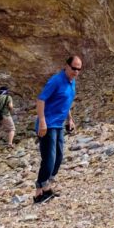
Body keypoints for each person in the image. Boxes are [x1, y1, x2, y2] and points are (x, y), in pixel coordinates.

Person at [33, 55, 81, 204]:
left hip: (59, 124)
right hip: (48, 125)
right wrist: (42, 122)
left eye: (79, 69)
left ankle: (46, 187)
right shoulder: (56, 81)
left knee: (59, 157)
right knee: (49, 158)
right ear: (66, 66)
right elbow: (41, 100)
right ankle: (39, 192)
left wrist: (70, 119)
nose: (76, 71)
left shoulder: (72, 82)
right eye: (74, 68)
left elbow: (66, 102)